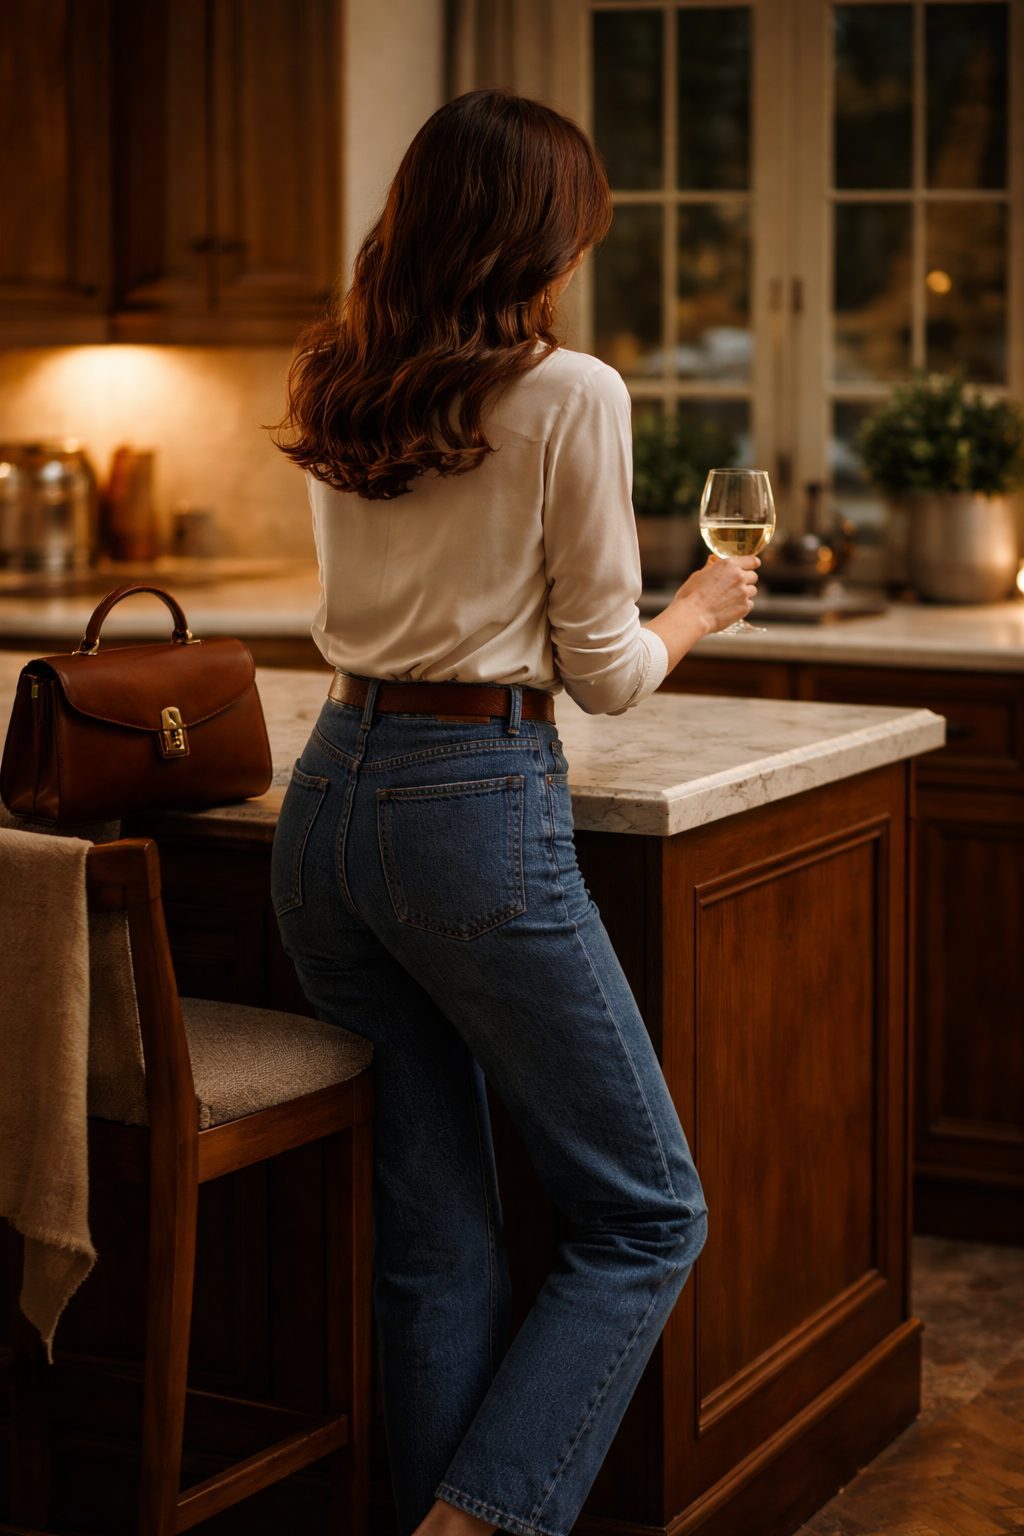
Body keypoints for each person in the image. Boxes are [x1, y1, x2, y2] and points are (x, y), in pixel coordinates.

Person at [269, 87, 759, 1536]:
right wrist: (698, 609)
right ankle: (479, 1523)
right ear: (538, 237)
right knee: (651, 1212)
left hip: (329, 809)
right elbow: (605, 675)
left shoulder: (338, 376)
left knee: (437, 1233)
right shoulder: (569, 391)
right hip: (468, 811)